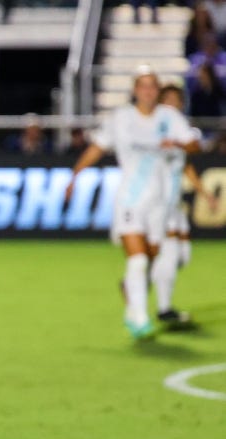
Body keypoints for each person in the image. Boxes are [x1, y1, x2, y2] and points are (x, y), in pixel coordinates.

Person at [65, 67, 200, 339]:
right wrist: (75, 175)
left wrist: (177, 143)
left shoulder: (169, 117)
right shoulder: (121, 118)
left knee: (150, 256)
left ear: (157, 90)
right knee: (138, 260)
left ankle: (133, 300)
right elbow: (98, 147)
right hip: (130, 200)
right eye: (143, 85)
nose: (148, 91)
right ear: (135, 89)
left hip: (160, 203)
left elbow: (194, 145)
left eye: (152, 86)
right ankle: (138, 317)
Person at [155, 83, 215, 326]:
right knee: (169, 252)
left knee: (183, 256)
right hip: (158, 201)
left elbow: (186, 164)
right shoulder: (154, 128)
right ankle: (164, 308)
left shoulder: (178, 131)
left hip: (174, 202)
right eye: (168, 99)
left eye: (176, 100)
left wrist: (204, 193)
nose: (173, 104)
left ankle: (147, 276)